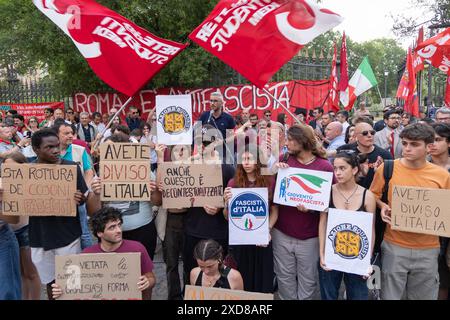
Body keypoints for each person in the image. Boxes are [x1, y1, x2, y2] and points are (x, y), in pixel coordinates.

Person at [370, 123, 450, 300]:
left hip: (429, 248)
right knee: (390, 295)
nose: (407, 148)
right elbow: (372, 195)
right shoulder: (387, 168)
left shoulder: (442, 176)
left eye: (414, 144)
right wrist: (382, 206)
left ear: (428, 147)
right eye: (405, 143)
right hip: (394, 245)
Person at [28, 129, 102, 299]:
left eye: (57, 146)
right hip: (39, 237)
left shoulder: (71, 168)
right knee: (51, 284)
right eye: (49, 147)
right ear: (36, 150)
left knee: (71, 284)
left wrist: (80, 199)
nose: (55, 150)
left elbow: (84, 199)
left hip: (68, 236)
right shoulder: (26, 171)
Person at [272, 124, 336, 300]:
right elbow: (272, 196)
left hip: (310, 236)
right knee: (284, 278)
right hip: (282, 232)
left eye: (291, 139)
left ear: (303, 142)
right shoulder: (284, 159)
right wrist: (274, 173)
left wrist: (313, 209)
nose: (287, 142)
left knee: (308, 281)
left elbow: (331, 202)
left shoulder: (325, 167)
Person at [51, 207, 156, 300]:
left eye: (119, 225)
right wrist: (60, 290)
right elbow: (74, 288)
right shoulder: (86, 255)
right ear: (99, 233)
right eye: (112, 227)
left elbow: (151, 278)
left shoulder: (137, 248)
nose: (119, 230)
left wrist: (147, 282)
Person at [318, 151, 376, 300]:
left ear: (354, 169)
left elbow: (371, 230)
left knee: (358, 295)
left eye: (342, 168)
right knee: (328, 296)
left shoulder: (367, 195)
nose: (337, 172)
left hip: (357, 257)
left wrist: (366, 260)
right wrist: (322, 254)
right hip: (331, 255)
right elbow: (322, 223)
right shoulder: (327, 192)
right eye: (335, 168)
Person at [97, 134, 162, 260]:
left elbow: (158, 202)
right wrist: (95, 193)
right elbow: (94, 210)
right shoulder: (101, 173)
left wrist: (152, 191)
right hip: (110, 235)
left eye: (111, 149)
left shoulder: (142, 170)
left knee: (143, 270)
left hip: (142, 230)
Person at [223, 149, 278, 293]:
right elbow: (226, 216)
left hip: (261, 239)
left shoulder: (269, 181)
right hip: (241, 240)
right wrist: (226, 203)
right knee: (243, 277)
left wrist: (267, 230)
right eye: (243, 159)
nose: (246, 163)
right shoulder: (233, 182)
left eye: (250, 158)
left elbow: (274, 211)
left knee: (262, 278)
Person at [4, 152, 42, 300]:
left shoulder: (30, 184)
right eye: (5, 168)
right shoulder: (2, 183)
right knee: (20, 273)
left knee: (31, 272)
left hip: (26, 228)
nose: (8, 172)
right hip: (8, 232)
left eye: (12, 168)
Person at [429, 123, 450, 300]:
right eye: (430, 141)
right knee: (436, 276)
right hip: (428, 231)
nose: (433, 144)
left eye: (438, 140)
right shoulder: (418, 166)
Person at [199, 92, 236, 161]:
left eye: (215, 101)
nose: (212, 103)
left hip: (223, 156)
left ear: (222, 103)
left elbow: (232, 137)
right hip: (207, 155)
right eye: (211, 101)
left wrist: (222, 141)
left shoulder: (228, 118)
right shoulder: (204, 116)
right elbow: (197, 133)